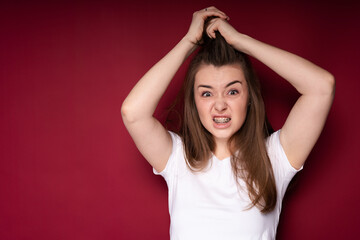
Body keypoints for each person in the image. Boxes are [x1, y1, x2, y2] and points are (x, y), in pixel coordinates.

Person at [121, 6, 335, 240]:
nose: (220, 105)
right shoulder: (177, 160)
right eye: (206, 93)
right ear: (194, 103)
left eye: (232, 91)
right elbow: (133, 113)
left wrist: (241, 42)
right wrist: (188, 42)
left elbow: (321, 87)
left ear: (249, 98)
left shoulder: (274, 158)